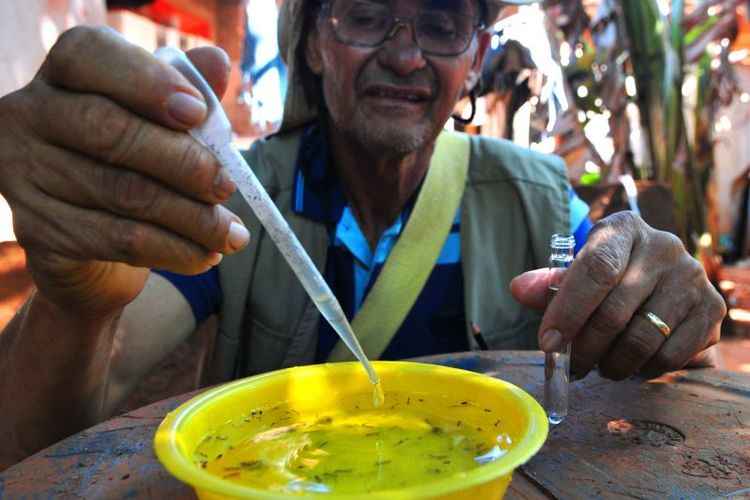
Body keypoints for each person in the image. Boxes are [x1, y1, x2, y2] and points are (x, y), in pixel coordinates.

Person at [0, 0, 725, 470]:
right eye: (367, 14)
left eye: (441, 25)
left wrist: (668, 302)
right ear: (315, 44)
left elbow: (658, 327)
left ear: (472, 58)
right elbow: (49, 432)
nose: (406, 56)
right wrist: (78, 305)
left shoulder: (537, 200)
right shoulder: (231, 199)